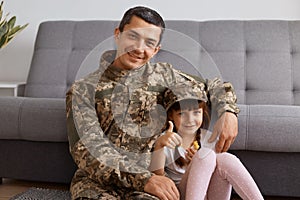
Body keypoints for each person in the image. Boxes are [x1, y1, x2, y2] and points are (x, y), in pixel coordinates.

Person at [66, 6, 240, 200]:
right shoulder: (83, 89)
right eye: (133, 37)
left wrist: (228, 112)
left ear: (156, 49)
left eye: (149, 43)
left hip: (151, 185)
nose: (140, 48)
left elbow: (215, 85)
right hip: (98, 184)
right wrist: (143, 179)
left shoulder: (165, 76)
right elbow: (88, 150)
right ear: (118, 34)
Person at [149, 83, 264, 200]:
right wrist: (160, 145)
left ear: (203, 113)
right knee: (206, 155)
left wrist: (196, 161)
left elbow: (219, 171)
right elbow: (158, 175)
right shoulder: (168, 139)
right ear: (171, 116)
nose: (190, 120)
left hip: (209, 194)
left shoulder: (208, 137)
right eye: (182, 114)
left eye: (196, 112)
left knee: (225, 158)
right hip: (181, 194)